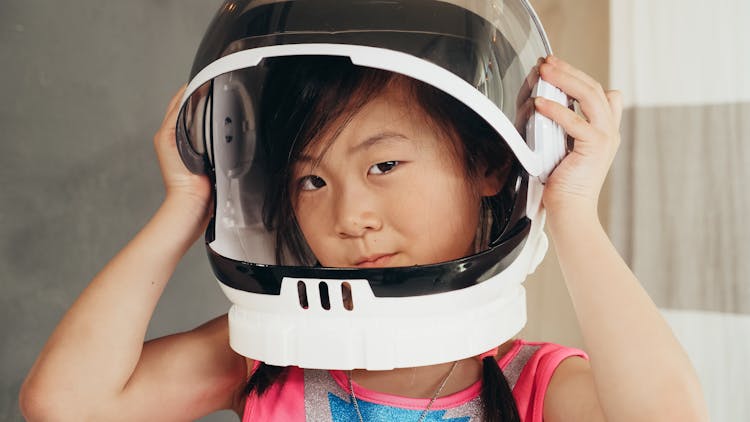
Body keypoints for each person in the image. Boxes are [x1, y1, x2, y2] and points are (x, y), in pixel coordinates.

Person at [20, 3, 708, 422]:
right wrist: (185, 204)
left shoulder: (537, 387)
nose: (349, 216)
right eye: (311, 181)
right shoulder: (264, 360)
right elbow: (64, 405)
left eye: (383, 165)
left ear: (495, 164)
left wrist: (574, 208)